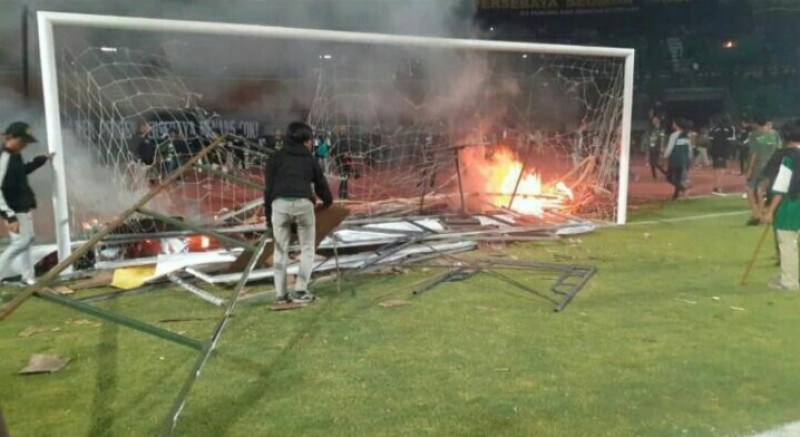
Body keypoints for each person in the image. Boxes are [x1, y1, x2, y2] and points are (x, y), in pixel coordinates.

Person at [264, 121, 333, 304]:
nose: (312, 143)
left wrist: (268, 218)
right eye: (311, 140)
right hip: (303, 204)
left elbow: (268, 189)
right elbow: (321, 186)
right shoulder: (309, 160)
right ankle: (301, 290)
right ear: (306, 140)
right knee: (308, 249)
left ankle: (280, 294)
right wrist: (328, 202)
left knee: (280, 250)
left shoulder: (275, 158)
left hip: (279, 205)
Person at [0, 122, 53, 284]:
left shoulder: (14, 155)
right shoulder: (4, 156)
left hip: (23, 205)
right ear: (10, 138)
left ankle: (28, 276)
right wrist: (9, 216)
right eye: (22, 141)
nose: (24, 145)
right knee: (21, 242)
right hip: (13, 208)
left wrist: (41, 160)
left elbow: (22, 171)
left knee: (28, 240)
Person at [762, 118, 800, 290]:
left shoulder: (788, 157)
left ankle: (789, 281)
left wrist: (770, 210)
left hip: (791, 204)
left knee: (787, 243)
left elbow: (781, 187)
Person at [745, 115, 782, 226]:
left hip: (760, 165)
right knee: (762, 189)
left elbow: (754, 153)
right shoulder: (775, 134)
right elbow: (778, 149)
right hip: (773, 165)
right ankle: (763, 216)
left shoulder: (754, 135)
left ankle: (756, 215)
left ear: (756, 124)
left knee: (750, 188)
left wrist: (750, 169)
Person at [663, 118, 692, 200]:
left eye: (674, 124)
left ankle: (683, 188)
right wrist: (689, 159)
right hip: (684, 160)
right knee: (678, 178)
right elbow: (689, 149)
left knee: (669, 177)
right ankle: (675, 196)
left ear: (677, 125)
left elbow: (670, 147)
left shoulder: (674, 135)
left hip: (675, 159)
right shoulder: (686, 135)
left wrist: (665, 156)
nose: (672, 125)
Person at [708, 117, 734, 194]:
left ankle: (717, 187)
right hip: (723, 152)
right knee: (721, 170)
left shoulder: (713, 130)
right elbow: (731, 142)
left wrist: (710, 153)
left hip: (715, 152)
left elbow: (710, 142)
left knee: (717, 170)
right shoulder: (729, 129)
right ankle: (718, 187)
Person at [641, 115, 666, 180]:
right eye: (653, 120)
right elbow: (648, 138)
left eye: (655, 120)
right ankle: (654, 176)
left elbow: (662, 139)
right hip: (651, 147)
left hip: (657, 147)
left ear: (658, 120)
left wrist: (662, 148)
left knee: (656, 162)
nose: (653, 121)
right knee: (652, 162)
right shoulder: (651, 129)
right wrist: (645, 147)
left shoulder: (661, 129)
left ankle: (665, 173)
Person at [333, 125, 353, 199]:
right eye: (343, 129)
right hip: (342, 161)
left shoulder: (342, 139)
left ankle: (343, 193)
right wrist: (344, 154)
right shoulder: (340, 140)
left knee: (345, 178)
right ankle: (342, 194)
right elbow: (336, 151)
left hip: (344, 161)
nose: (345, 130)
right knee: (344, 177)